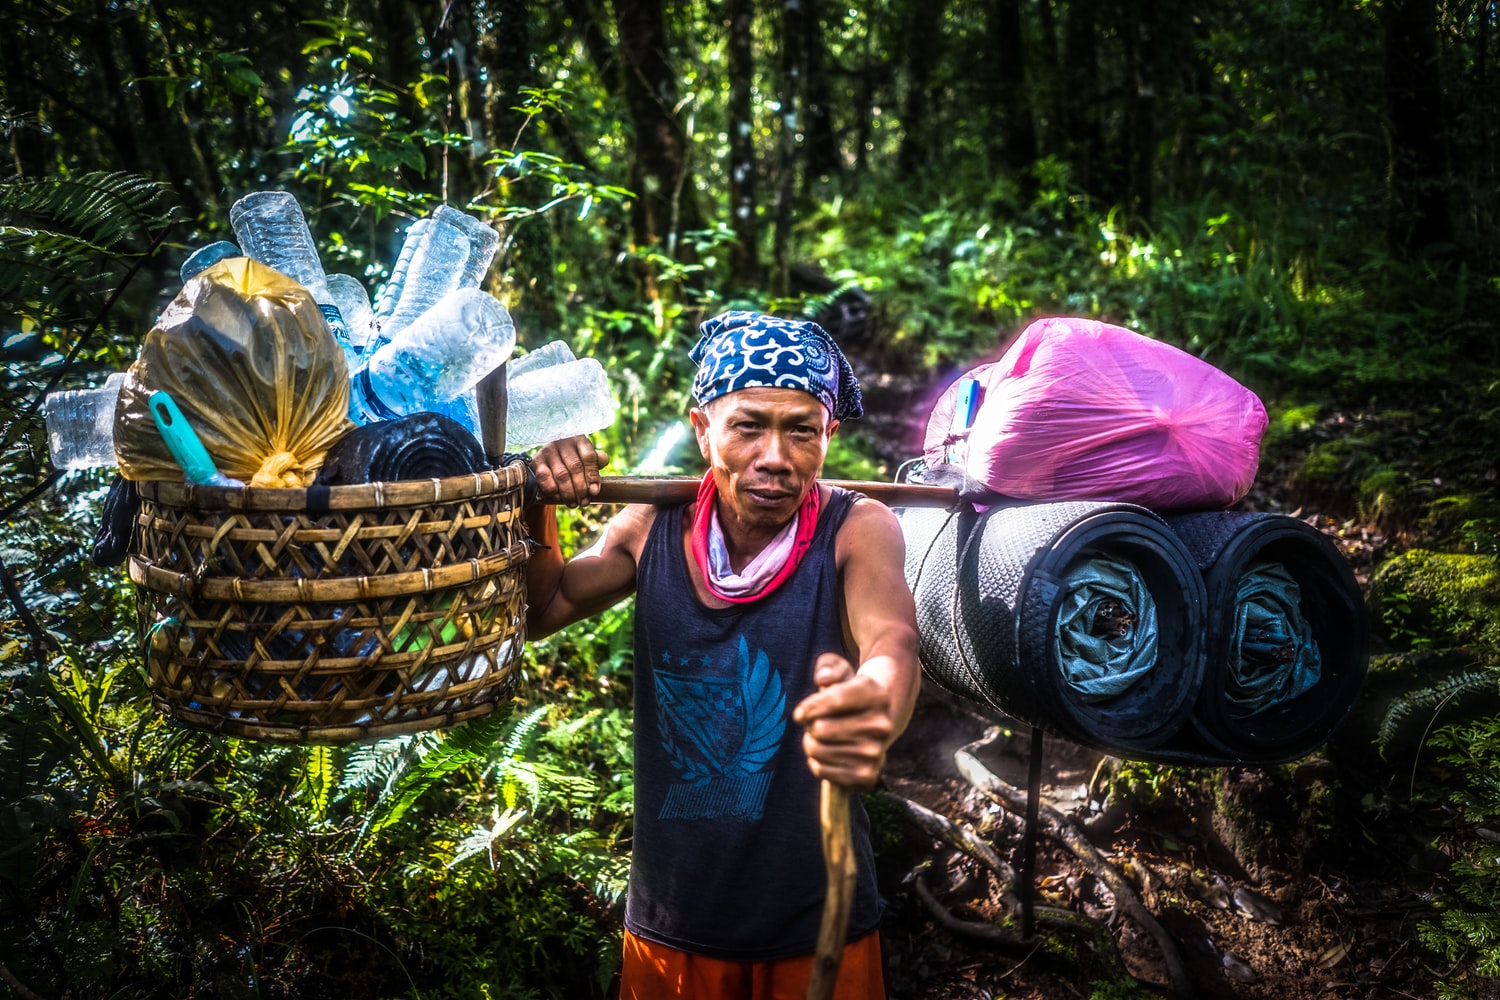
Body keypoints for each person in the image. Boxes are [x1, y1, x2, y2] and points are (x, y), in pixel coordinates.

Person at [523, 310, 921, 1000]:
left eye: (801, 429)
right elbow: (543, 607)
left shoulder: (856, 529)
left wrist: (876, 707)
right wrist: (538, 495)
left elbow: (893, 639)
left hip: (817, 918)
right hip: (675, 917)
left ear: (830, 435)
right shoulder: (651, 528)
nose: (775, 455)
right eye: (748, 426)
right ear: (702, 428)